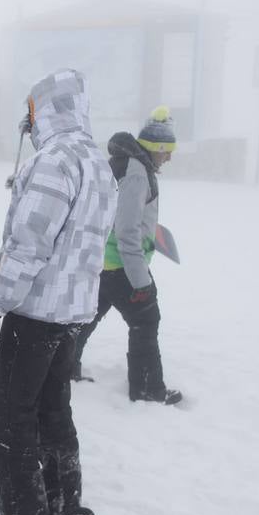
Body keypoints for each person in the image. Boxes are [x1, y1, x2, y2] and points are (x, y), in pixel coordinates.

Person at [0, 68, 118, 515]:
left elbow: (29, 244)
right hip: (73, 313)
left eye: (31, 114)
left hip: (35, 313)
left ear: (45, 111)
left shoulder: (54, 161)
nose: (27, 124)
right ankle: (62, 508)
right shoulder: (96, 162)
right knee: (54, 413)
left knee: (11, 421)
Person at [72, 106, 183, 405]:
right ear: (156, 148)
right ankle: (147, 388)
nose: (170, 157)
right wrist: (141, 282)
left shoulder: (124, 164)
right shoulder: (136, 173)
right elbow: (126, 231)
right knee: (146, 320)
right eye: (167, 150)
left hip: (103, 261)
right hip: (122, 265)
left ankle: (64, 368)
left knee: (86, 318)